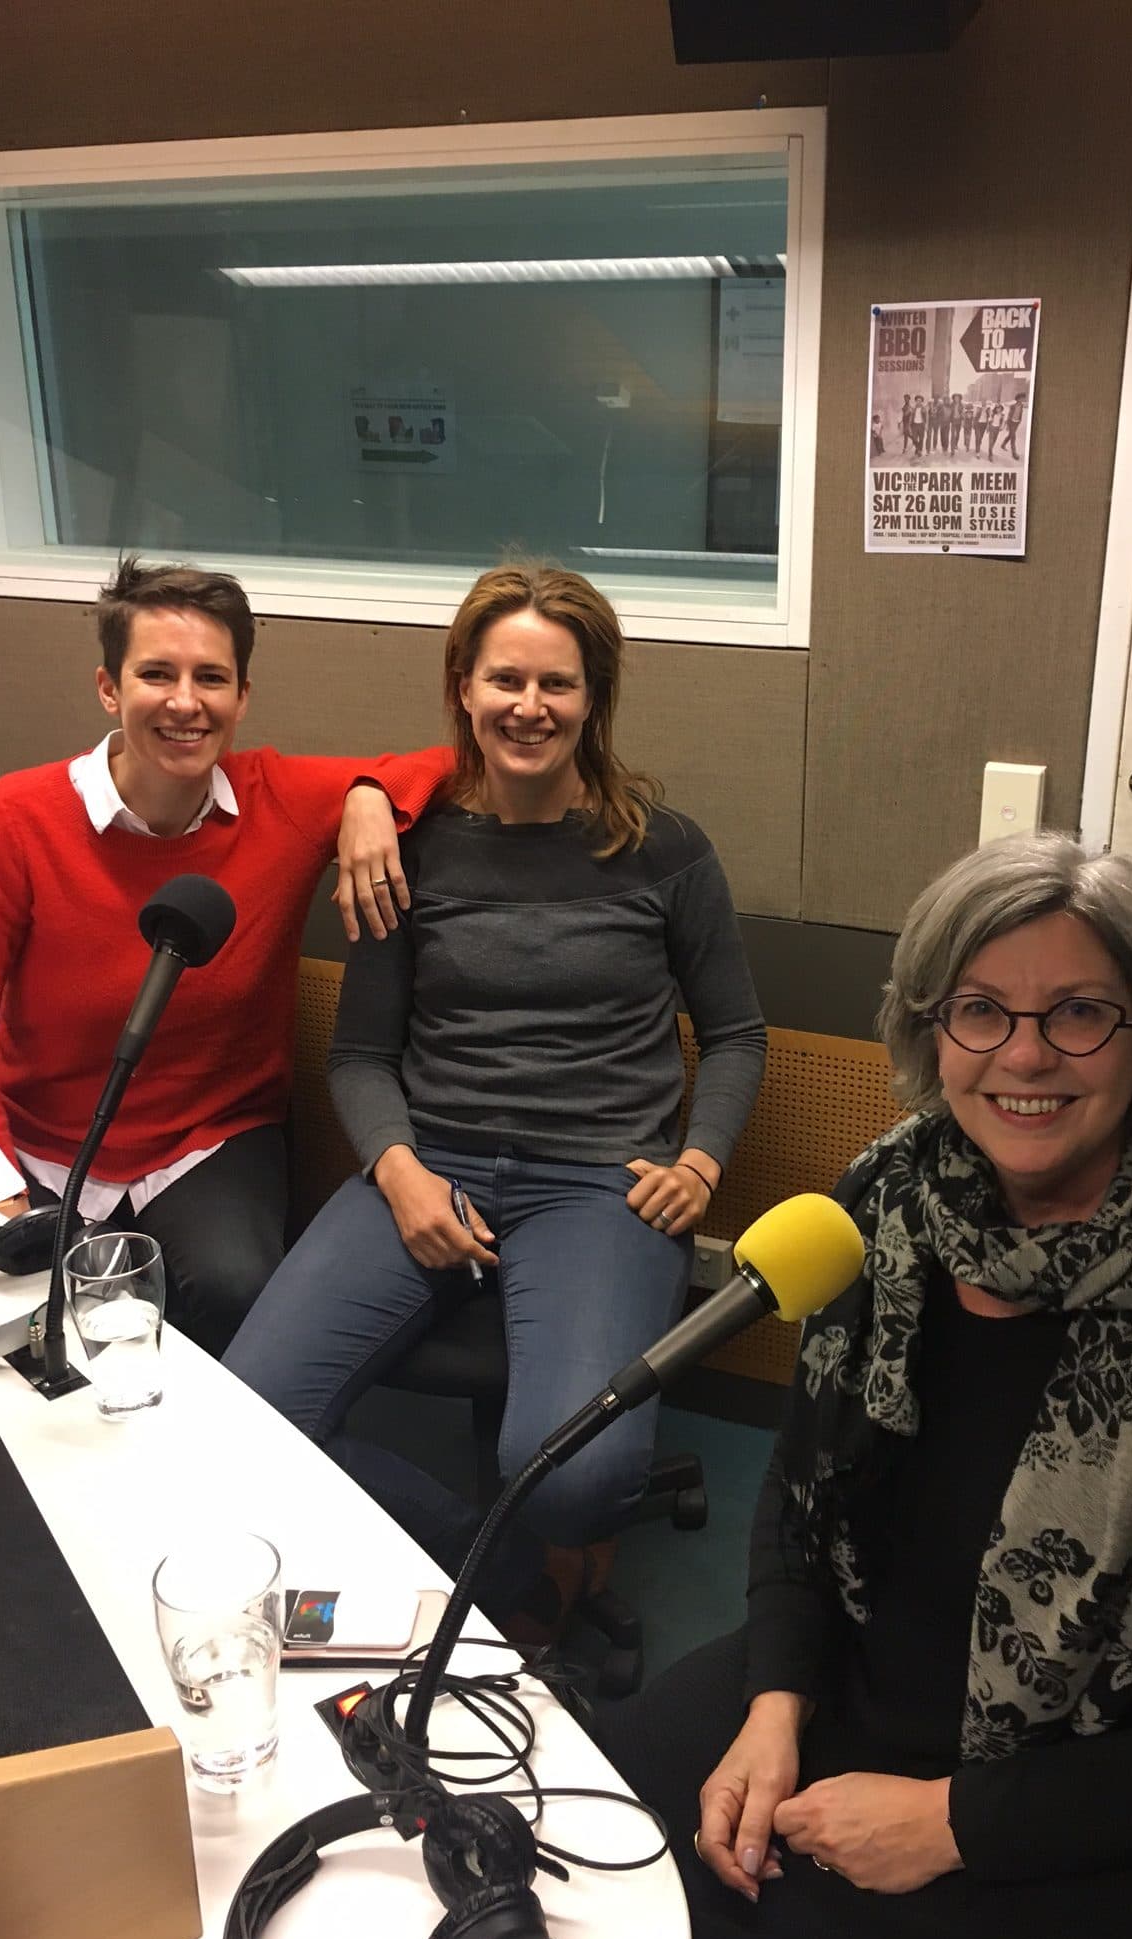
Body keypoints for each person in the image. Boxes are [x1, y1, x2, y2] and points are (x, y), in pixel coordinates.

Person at [599, 834, 1132, 1939]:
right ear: (932, 1029)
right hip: (868, 1692)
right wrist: (774, 1704)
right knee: (584, 1823)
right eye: (980, 1010)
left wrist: (955, 1824)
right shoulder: (886, 1215)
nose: (1024, 1055)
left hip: (1109, 1801)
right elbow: (798, 1510)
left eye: (1079, 1013)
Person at [224, 564, 766, 1618]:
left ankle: (537, 1537)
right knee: (247, 1420)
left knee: (576, 1479)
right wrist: (401, 1175)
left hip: (601, 1182)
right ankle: (499, 1571)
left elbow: (737, 1033)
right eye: (505, 679)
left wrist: (701, 1162)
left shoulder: (665, 851)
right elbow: (360, 1056)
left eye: (557, 683)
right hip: (431, 1163)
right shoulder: (409, 850)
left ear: (594, 697)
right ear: (463, 689)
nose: (530, 706)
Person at [0, 557, 451, 1355]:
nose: (186, 702)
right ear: (109, 688)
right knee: (12, 1339)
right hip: (45, 1145)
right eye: (157, 674)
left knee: (240, 1296)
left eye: (212, 678)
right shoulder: (12, 820)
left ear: (243, 697)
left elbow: (450, 764)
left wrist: (370, 793)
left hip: (208, 1142)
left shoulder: (278, 800)